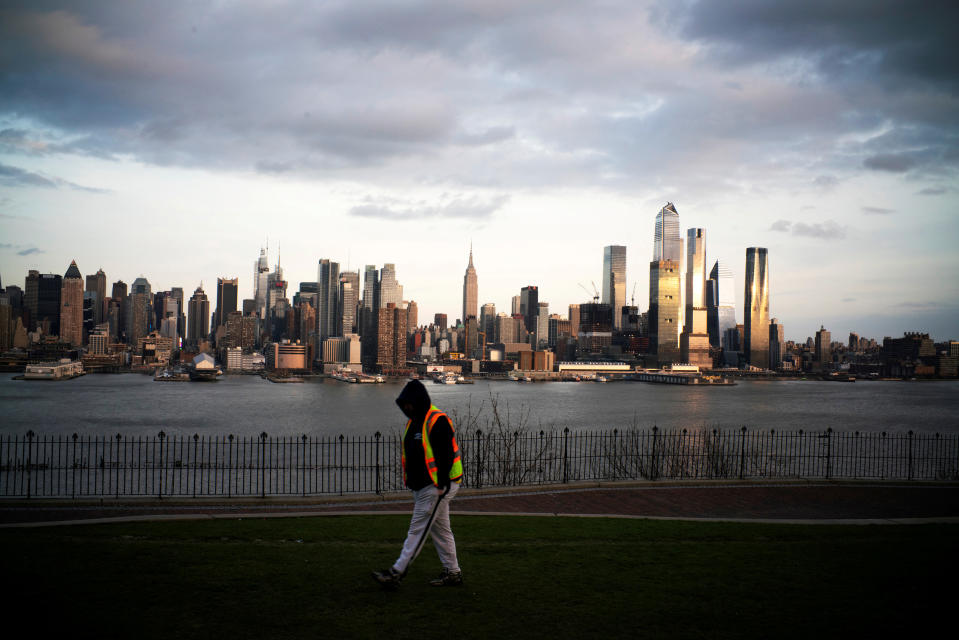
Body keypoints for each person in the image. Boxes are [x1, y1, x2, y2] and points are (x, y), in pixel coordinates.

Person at [372, 379, 464, 588]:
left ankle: (397, 572)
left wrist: (441, 484)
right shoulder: (414, 422)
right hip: (425, 486)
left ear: (419, 401)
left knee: (417, 529)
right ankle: (453, 573)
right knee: (441, 530)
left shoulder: (436, 420)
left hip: (437, 486)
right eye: (404, 404)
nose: (406, 407)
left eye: (409, 403)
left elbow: (446, 454)